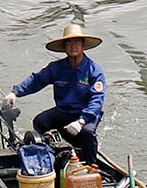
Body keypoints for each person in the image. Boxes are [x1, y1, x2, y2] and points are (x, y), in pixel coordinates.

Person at [13, 23, 107, 165]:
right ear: (64, 47)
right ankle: (51, 155)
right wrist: (15, 93)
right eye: (69, 43)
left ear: (83, 46)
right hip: (64, 111)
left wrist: (81, 121)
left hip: (86, 114)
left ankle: (90, 165)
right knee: (40, 121)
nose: (73, 46)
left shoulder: (94, 71)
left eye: (77, 42)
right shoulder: (56, 68)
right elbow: (36, 80)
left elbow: (97, 100)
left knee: (87, 133)